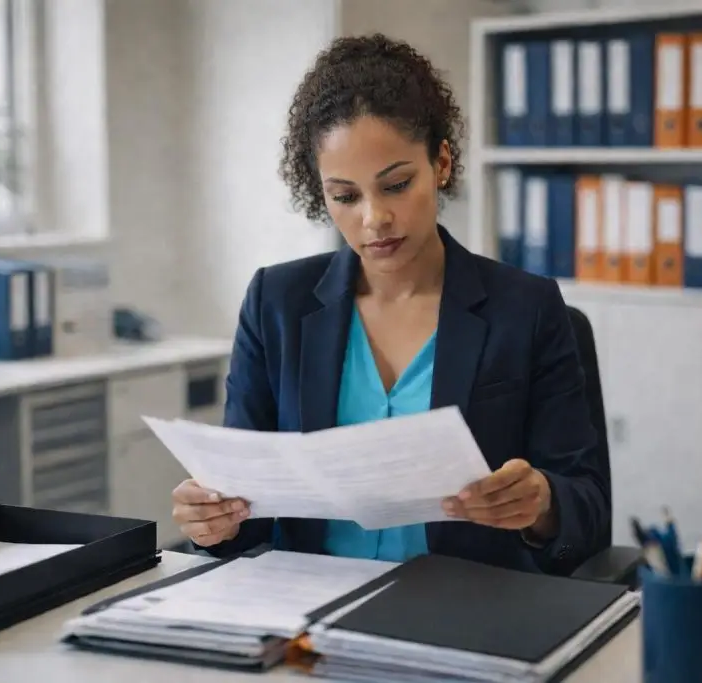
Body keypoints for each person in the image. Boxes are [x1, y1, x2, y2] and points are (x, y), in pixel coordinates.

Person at [172, 33, 607, 575]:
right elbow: (246, 513)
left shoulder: (527, 308)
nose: (373, 219)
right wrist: (215, 522)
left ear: (441, 164)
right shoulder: (275, 305)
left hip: (463, 611)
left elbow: (588, 517)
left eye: (396, 185)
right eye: (345, 196)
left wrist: (541, 505)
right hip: (306, 612)